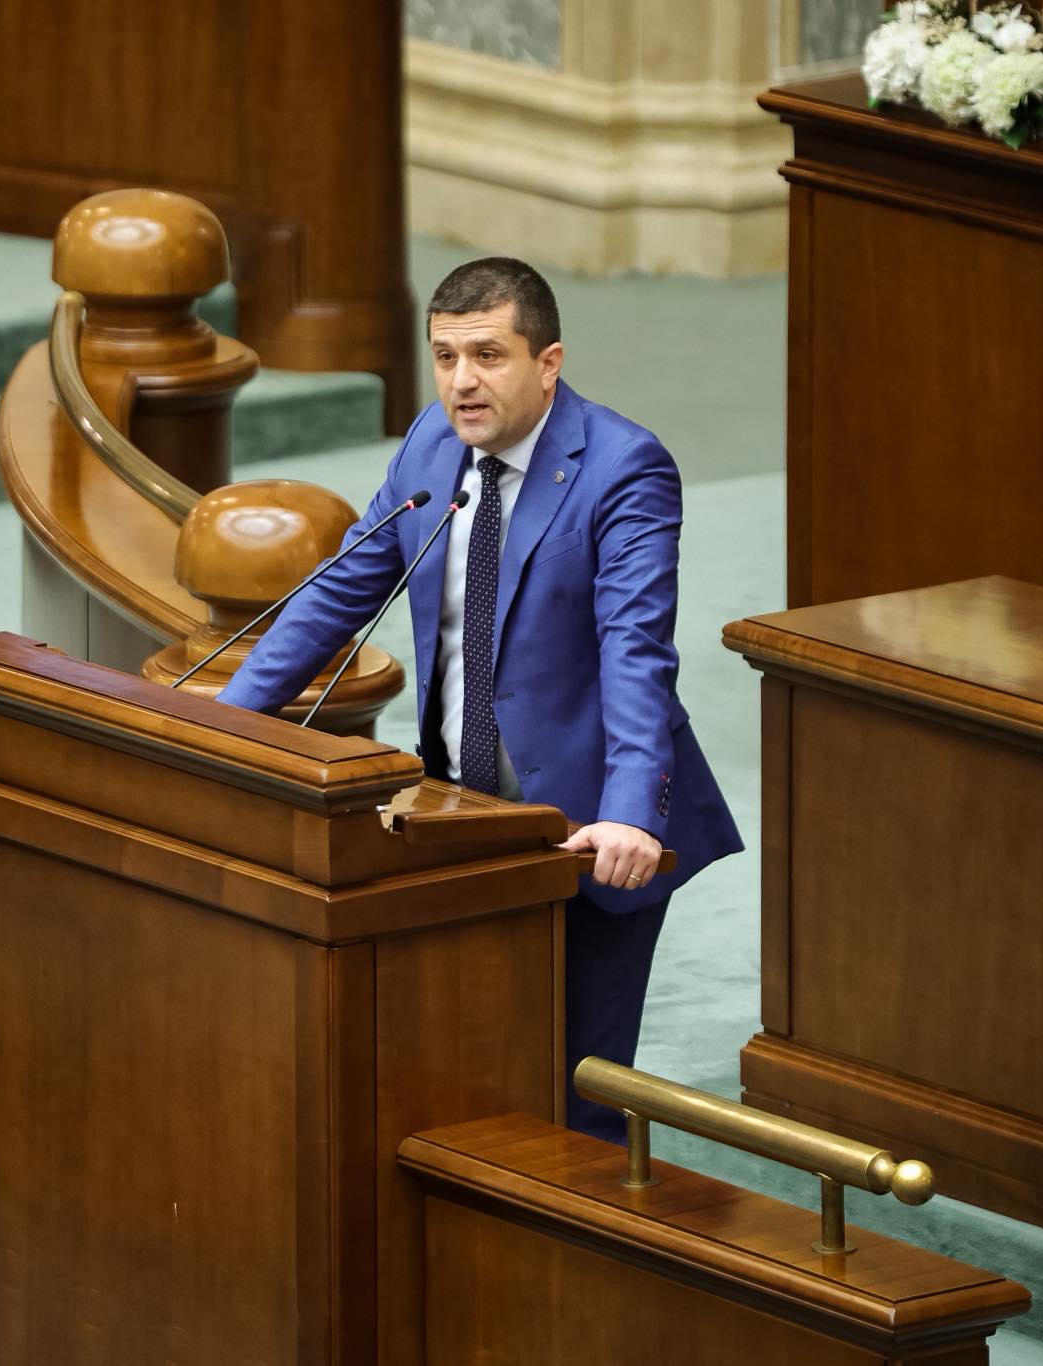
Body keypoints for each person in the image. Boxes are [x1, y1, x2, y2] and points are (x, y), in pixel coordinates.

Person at [216, 256, 742, 1142]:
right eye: (446, 356)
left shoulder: (624, 468)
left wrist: (627, 813)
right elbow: (339, 591)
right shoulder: (432, 443)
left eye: (489, 356)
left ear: (548, 363)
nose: (463, 381)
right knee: (469, 1057)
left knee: (578, 1093)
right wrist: (223, 719)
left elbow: (637, 652)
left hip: (587, 825)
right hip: (460, 814)